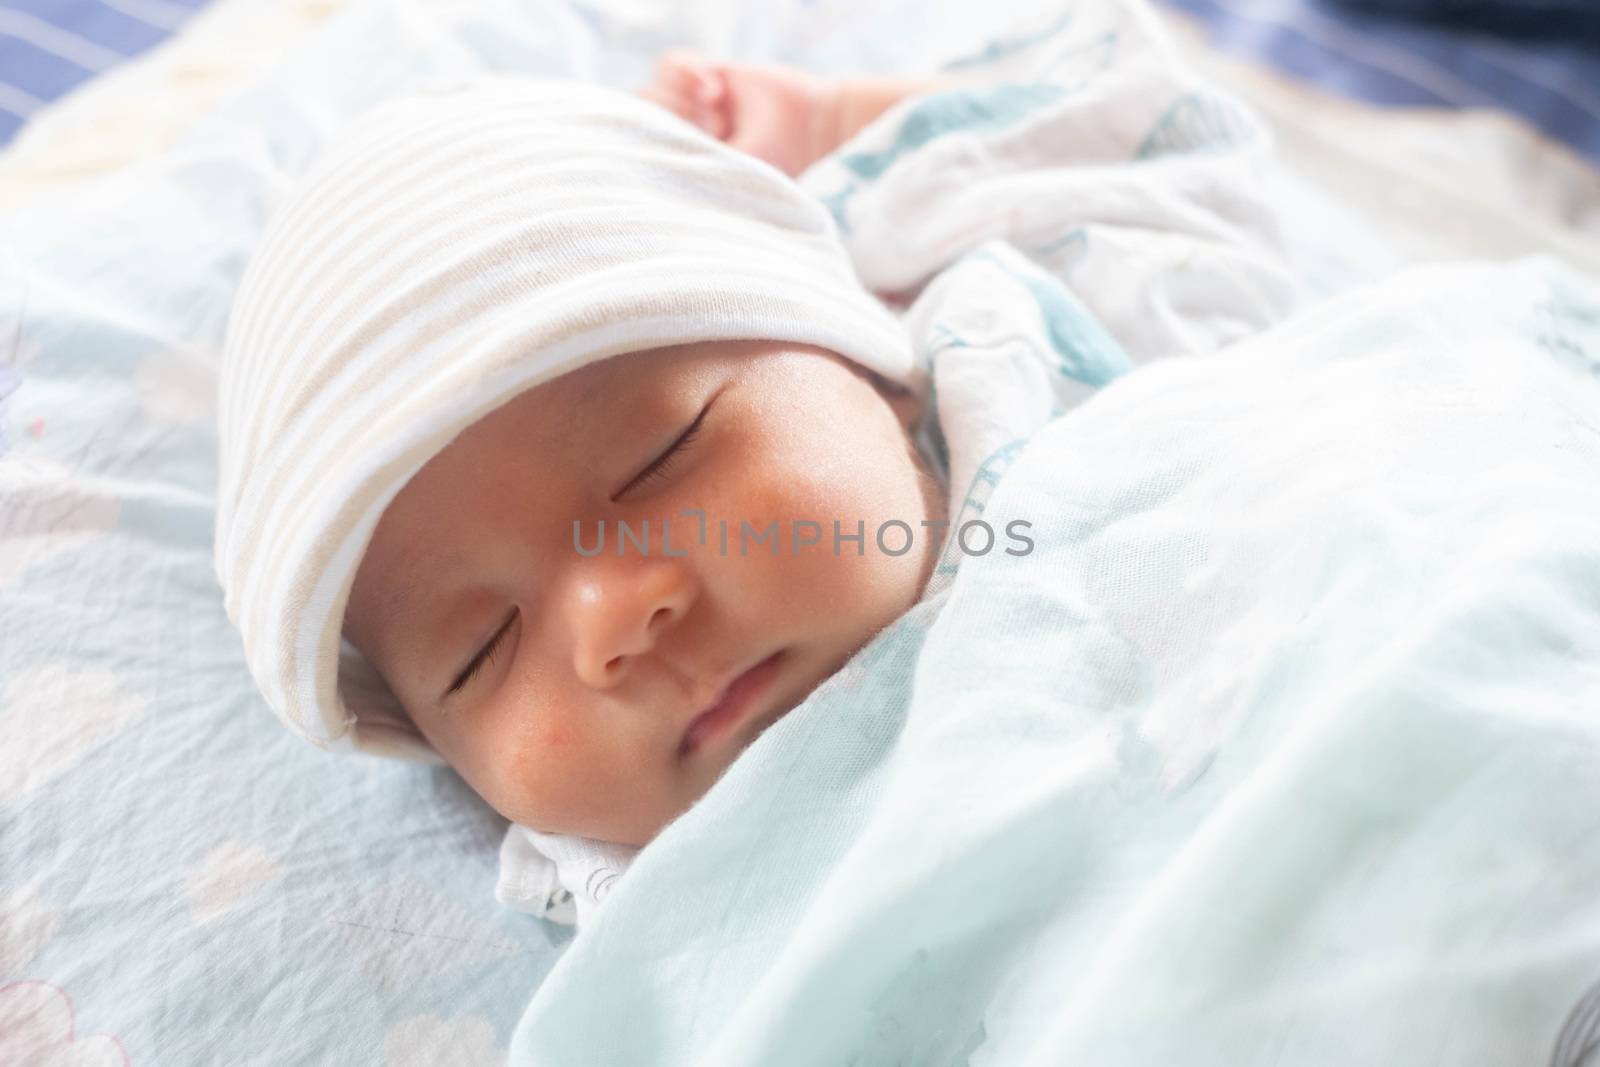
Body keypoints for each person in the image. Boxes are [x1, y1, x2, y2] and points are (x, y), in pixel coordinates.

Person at [213, 7, 1293, 922]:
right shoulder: (622, 890)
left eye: (662, 456)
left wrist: (834, 129)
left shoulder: (1022, 363)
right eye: (479, 652)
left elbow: (1165, 149)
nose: (610, 612)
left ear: (870, 371)